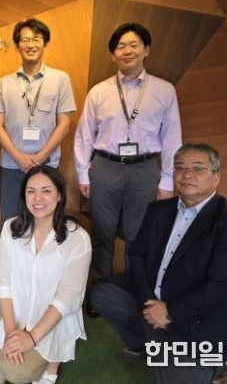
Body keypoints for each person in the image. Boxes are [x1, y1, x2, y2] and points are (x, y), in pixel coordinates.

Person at [89, 143, 227, 383]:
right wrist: (149, 302)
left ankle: (219, 365)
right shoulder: (158, 210)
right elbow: (136, 255)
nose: (187, 174)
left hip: (195, 317)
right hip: (153, 300)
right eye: (180, 167)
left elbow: (222, 287)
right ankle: (148, 344)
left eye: (198, 168)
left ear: (216, 177)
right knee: (103, 295)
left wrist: (169, 311)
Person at [74, 22, 182, 281]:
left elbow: (172, 138)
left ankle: (136, 289)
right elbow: (84, 135)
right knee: (102, 233)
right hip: (105, 167)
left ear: (146, 50)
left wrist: (168, 180)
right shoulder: (99, 91)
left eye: (134, 45)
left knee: (139, 234)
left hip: (145, 169)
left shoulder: (165, 90)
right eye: (120, 46)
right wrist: (83, 174)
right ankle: (100, 289)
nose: (127, 51)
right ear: (113, 55)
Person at [0, 166, 91, 384]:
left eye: (46, 191)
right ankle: (14, 339)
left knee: (17, 373)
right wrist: (11, 333)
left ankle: (52, 365)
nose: (38, 198)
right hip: (14, 315)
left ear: (59, 195)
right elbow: (3, 282)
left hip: (51, 321)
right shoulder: (10, 228)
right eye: (31, 191)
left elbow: (67, 299)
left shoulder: (77, 239)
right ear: (24, 195)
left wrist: (31, 338)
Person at [0, 18, 76, 303]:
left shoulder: (60, 79)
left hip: (47, 166)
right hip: (12, 166)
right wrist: (18, 156)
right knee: (10, 224)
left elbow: (64, 123)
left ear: (44, 43)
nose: (30, 44)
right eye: (25, 39)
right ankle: (4, 286)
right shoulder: (5, 83)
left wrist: (40, 156)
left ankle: (44, 286)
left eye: (36, 38)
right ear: (17, 45)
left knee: (47, 223)